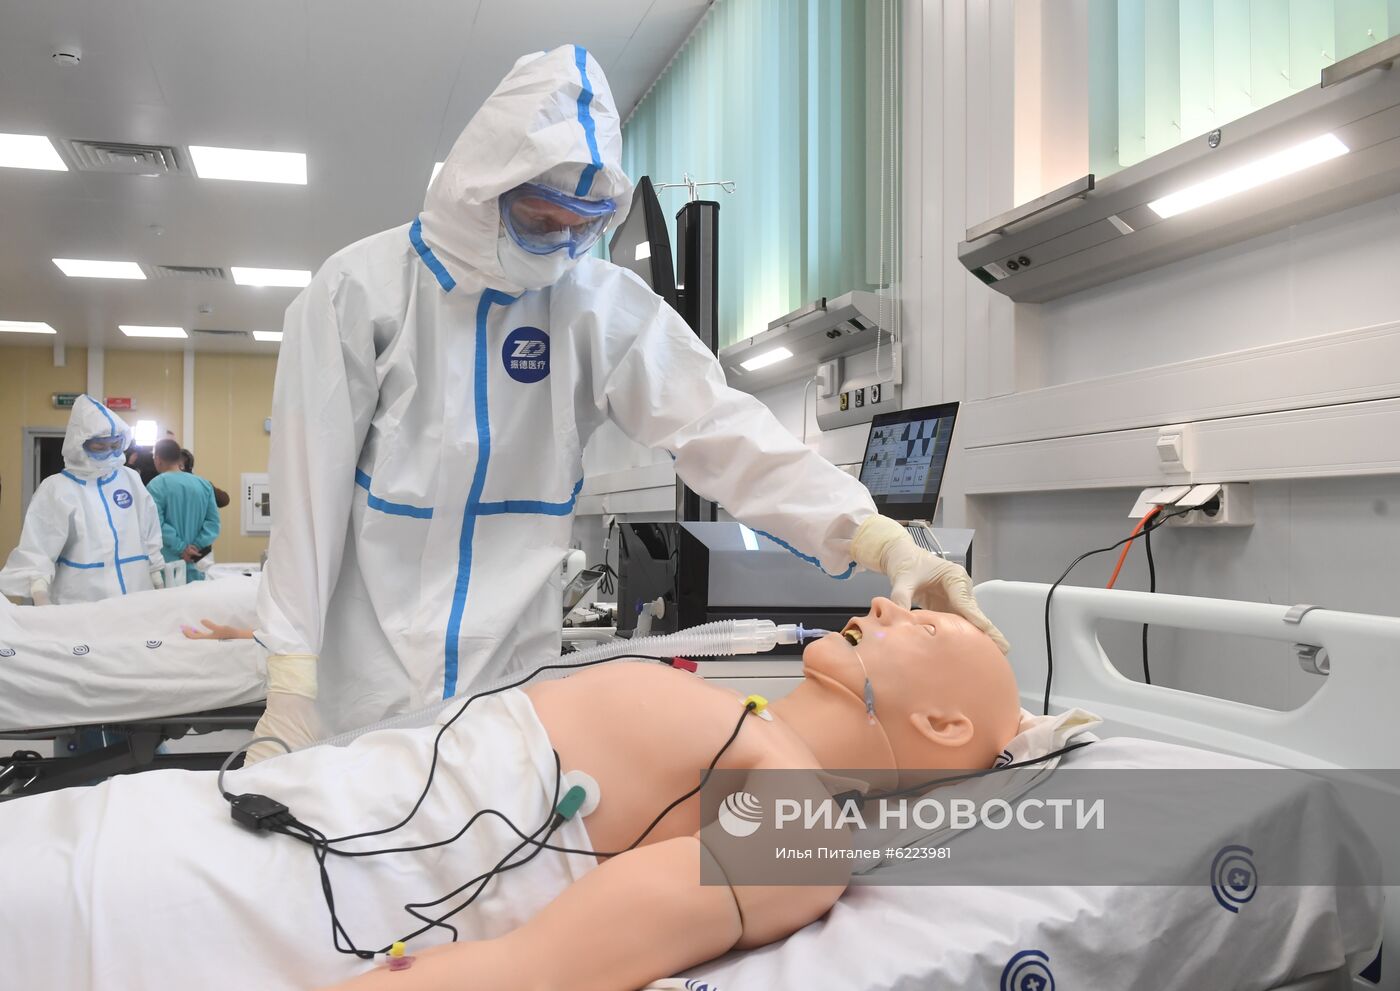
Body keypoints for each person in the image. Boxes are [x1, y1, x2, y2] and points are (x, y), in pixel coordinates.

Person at [251, 44, 1008, 761]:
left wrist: (875, 536)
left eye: (580, 229)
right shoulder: (358, 292)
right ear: (481, 190)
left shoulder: (595, 303)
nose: (558, 246)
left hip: (511, 698)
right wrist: (289, 680)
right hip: (366, 691)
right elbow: (308, 500)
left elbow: (720, 426)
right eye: (540, 220)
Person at [0, 598, 1020, 991]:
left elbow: (529, 972)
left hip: (208, 905)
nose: (885, 600)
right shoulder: (742, 721)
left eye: (927, 628)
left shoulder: (800, 826)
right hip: (185, 823)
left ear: (943, 726)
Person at [0, 396, 164, 605]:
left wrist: (157, 575)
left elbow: (149, 531)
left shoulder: (129, 479)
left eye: (115, 445)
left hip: (136, 594)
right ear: (79, 444)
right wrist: (40, 594)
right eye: (100, 447)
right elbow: (38, 548)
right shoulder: (57, 488)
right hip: (80, 601)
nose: (110, 452)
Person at [147, 438, 222, 582]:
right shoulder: (204, 484)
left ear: (158, 459)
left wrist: (181, 549)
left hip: (169, 567)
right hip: (197, 562)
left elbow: (156, 525)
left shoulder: (155, 486)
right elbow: (213, 523)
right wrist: (195, 546)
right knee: (198, 595)